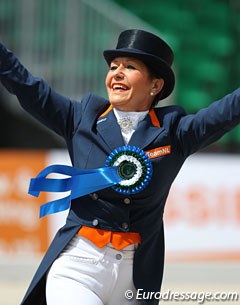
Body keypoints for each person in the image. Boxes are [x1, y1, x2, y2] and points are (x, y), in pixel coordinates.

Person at [0, 29, 239, 305]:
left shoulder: (176, 132)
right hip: (79, 267)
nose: (117, 72)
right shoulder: (80, 119)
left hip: (136, 278)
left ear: (155, 86)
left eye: (130, 67)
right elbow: (25, 85)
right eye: (113, 67)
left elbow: (228, 111)